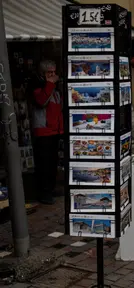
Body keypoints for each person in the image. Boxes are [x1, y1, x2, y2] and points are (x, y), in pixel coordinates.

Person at [29, 60, 63, 205]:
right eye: (49, 73)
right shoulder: (37, 86)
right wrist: (50, 83)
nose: (53, 75)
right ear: (43, 73)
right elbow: (41, 101)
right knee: (44, 164)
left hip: (53, 131)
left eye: (54, 73)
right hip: (43, 131)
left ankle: (50, 188)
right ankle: (44, 192)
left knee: (52, 163)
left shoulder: (53, 87)